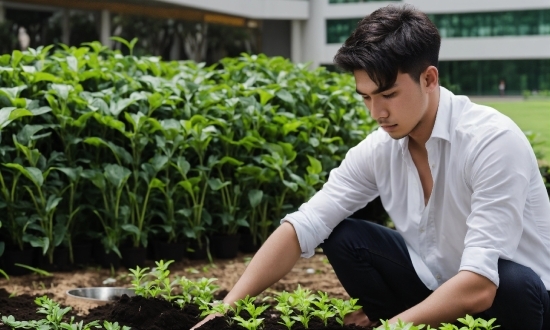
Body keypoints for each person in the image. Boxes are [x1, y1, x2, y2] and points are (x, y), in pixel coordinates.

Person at [191, 5, 550, 330]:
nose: (377, 113)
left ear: (429, 79)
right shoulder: (381, 147)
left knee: (513, 281)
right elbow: (305, 224)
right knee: (344, 236)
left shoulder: (491, 141)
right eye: (366, 97)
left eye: (389, 94)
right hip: (443, 288)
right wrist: (226, 307)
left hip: (519, 303)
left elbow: (480, 285)